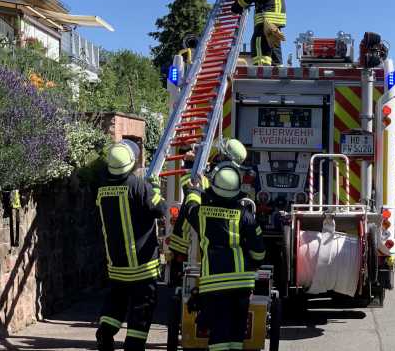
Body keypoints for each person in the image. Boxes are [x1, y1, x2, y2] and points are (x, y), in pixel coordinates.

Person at [178, 158, 266, 350]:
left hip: (214, 284)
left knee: (218, 334)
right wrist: (254, 263)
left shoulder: (201, 214)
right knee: (236, 333)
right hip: (242, 283)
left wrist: (194, 190)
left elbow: (189, 209)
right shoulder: (245, 215)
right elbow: (259, 250)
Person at [95, 140, 166, 351]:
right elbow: (160, 209)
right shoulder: (138, 186)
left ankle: (105, 333)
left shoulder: (102, 189)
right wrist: (154, 188)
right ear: (131, 163)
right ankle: (134, 345)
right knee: (142, 307)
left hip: (117, 264)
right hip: (143, 266)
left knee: (115, 302)